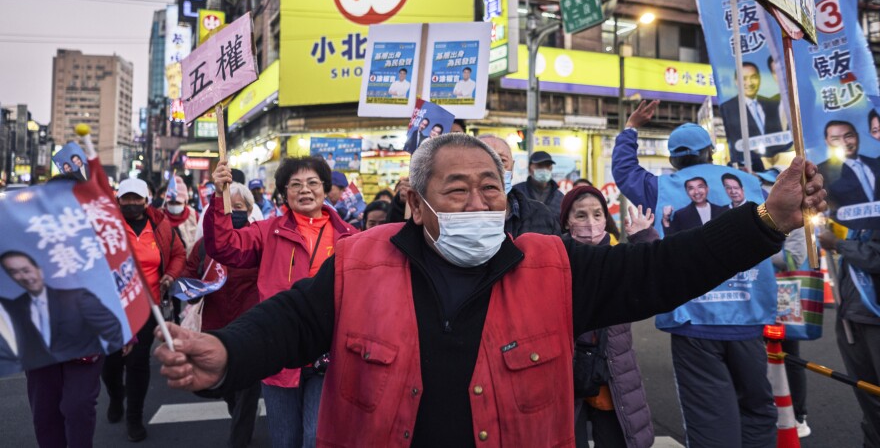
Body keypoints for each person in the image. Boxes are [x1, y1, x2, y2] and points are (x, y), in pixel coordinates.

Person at [154, 132, 826, 447]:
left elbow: (661, 272)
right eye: (459, 188)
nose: (480, 201)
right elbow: (285, 323)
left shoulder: (557, 264)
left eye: (491, 187)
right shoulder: (358, 264)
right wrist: (224, 351)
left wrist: (766, 220)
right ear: (415, 202)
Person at [612, 100, 780, 448]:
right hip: (748, 318)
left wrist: (631, 127)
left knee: (710, 419)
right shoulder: (751, 184)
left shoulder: (660, 187)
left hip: (693, 320)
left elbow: (625, 171)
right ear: (711, 153)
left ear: (674, 159)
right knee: (758, 411)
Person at [204, 156, 357, 448]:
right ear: (284, 193)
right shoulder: (268, 231)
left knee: (315, 437)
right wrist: (220, 196)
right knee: (285, 440)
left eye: (313, 183)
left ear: (325, 189)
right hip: (279, 352)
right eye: (295, 184)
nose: (305, 190)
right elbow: (224, 246)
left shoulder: (350, 237)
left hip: (330, 354)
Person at [561, 188, 653, 448]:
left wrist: (644, 238)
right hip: (567, 374)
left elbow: (653, 276)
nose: (590, 222)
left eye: (597, 214)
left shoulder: (619, 256)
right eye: (581, 215)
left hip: (614, 373)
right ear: (567, 220)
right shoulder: (555, 258)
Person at [103, 177, 186, 442]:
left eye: (136, 198)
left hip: (148, 307)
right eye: (125, 198)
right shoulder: (106, 227)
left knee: (138, 362)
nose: (131, 203)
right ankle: (117, 396)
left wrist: (170, 276)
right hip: (113, 309)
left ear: (145, 201)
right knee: (111, 363)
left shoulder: (161, 226)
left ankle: (134, 417)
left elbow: (178, 254)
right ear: (118, 200)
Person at [184, 182, 261, 448]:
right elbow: (188, 277)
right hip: (216, 328)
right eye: (228, 207)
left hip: (251, 328)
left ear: (249, 210)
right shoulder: (205, 245)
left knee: (247, 391)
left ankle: (239, 440)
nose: (233, 212)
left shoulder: (260, 242)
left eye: (238, 207)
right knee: (229, 387)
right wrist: (190, 289)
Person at [0, 251, 123, 368]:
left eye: (26, 270)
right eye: (14, 272)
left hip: (81, 365)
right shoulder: (14, 307)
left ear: (39, 270)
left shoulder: (78, 297)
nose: (24, 277)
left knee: (78, 391)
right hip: (41, 371)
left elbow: (113, 331)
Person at [818, 229, 880, 448]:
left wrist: (838, 243)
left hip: (874, 319)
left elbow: (875, 257)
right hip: (852, 316)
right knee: (866, 394)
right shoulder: (856, 219)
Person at [761, 170, 811, 438]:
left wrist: (757, 250)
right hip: (762, 295)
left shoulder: (797, 216)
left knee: (789, 355)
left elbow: (793, 257)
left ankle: (799, 415)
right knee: (761, 355)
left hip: (785, 296)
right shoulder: (760, 213)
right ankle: (771, 410)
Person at [480, 135, 559, 238]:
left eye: (502, 161)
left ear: (512, 167)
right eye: (482, 160)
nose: (494, 169)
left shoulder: (542, 214)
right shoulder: (456, 214)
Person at [817, 120, 880, 229]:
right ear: (827, 142)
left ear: (857, 137)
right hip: (847, 237)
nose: (844, 143)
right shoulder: (821, 172)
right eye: (836, 139)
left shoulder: (876, 163)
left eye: (848, 136)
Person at [719, 61, 786, 162]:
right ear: (736, 81)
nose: (749, 83)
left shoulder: (771, 103)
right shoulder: (728, 108)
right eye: (744, 79)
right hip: (750, 167)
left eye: (753, 77)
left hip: (780, 162)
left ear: (759, 78)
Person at [662, 176, 726, 234]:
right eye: (691, 188)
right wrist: (665, 220)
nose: (696, 192)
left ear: (707, 189)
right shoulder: (680, 215)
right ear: (687, 192)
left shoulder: (722, 211)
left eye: (700, 187)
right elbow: (673, 240)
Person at [511, 150, 564, 218]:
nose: (544, 169)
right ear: (529, 169)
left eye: (547, 166)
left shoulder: (560, 197)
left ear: (551, 168)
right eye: (539, 165)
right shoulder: (516, 192)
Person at [163, 175, 199, 255]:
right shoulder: (160, 217)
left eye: (178, 202)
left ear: (185, 202)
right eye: (171, 202)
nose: (174, 205)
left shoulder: (193, 215)